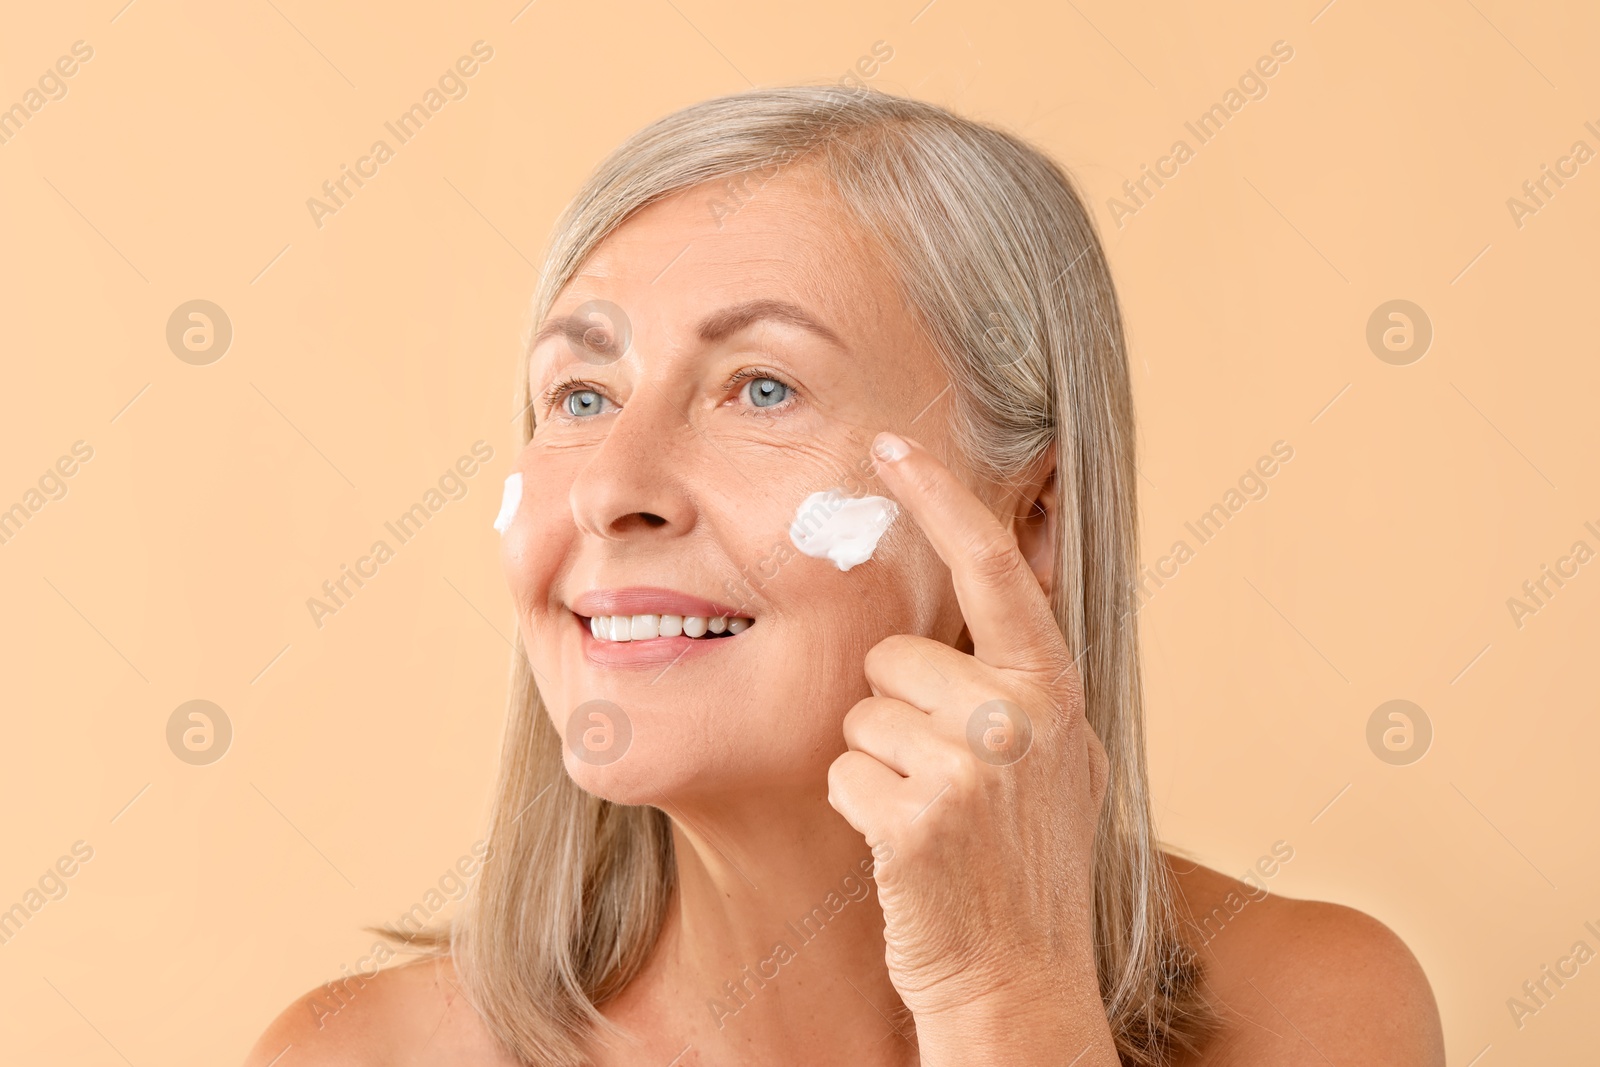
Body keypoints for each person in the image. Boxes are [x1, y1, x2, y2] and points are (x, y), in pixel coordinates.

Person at [247, 85, 1444, 1066]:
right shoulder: (353, 1052)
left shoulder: (1314, 1014)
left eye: (761, 387)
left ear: (1030, 517)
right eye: (581, 394)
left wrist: (1007, 1004)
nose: (614, 486)